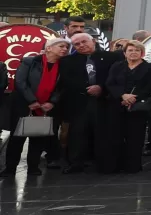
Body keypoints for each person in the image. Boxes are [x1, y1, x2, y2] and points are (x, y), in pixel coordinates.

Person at [4, 38, 67, 177]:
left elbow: (61, 88)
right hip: (23, 104)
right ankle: (10, 169)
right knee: (17, 138)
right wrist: (31, 100)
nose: (65, 49)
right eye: (61, 46)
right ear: (49, 48)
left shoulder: (63, 66)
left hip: (46, 107)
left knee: (39, 137)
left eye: (66, 47)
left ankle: (33, 167)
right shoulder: (30, 61)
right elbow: (20, 82)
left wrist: (52, 102)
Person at [55, 31, 110, 173]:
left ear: (93, 41)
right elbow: (66, 80)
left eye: (84, 42)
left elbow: (115, 77)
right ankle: (75, 163)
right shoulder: (67, 61)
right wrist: (87, 89)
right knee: (77, 134)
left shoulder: (112, 57)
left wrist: (101, 88)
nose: (81, 45)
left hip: (104, 102)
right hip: (78, 102)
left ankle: (103, 164)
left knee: (103, 133)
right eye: (76, 44)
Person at [104, 40, 151, 173]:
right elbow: (110, 83)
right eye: (130, 50)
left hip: (138, 107)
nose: (133, 53)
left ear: (142, 53)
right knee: (115, 136)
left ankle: (132, 166)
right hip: (117, 104)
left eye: (137, 50)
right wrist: (122, 96)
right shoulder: (117, 66)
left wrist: (133, 98)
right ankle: (115, 165)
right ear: (124, 53)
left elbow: (149, 86)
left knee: (135, 137)